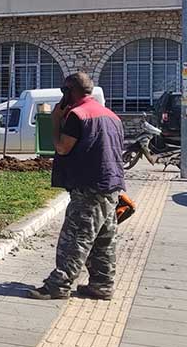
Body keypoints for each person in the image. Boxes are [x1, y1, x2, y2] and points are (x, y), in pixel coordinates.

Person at [29, 72, 126, 301]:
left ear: (69, 92)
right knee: (104, 239)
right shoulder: (111, 115)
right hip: (111, 184)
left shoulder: (77, 115)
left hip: (88, 187)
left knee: (75, 238)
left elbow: (63, 147)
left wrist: (55, 122)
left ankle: (58, 285)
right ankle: (102, 285)